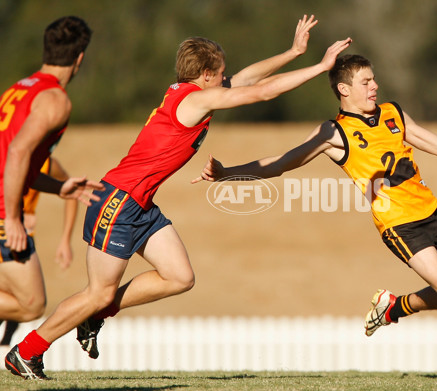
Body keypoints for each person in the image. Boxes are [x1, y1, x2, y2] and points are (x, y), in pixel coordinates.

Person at [6, 15, 351, 380]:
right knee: (98, 292)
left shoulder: (191, 92)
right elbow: (261, 91)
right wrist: (321, 66)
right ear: (205, 75)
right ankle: (26, 353)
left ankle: (95, 316)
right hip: (118, 202)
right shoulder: (193, 102)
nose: (225, 79)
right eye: (220, 73)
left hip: (138, 204)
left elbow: (247, 80)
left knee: (179, 276)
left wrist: (292, 52)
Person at [195, 54, 437, 382]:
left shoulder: (392, 113)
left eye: (374, 79)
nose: (374, 86)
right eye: (365, 82)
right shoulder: (333, 133)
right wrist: (228, 173)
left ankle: (395, 306)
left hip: (432, 213)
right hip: (399, 225)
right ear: (343, 90)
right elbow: (283, 162)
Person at [0, 16, 104, 379]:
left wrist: (57, 188)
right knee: (31, 304)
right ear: (79, 59)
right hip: (2, 211)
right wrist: (12, 218)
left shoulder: (18, 88)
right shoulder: (56, 100)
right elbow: (15, 153)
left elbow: (19, 160)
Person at [0, 157, 78, 354]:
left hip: (19, 231)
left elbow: (70, 192)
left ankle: (5, 343)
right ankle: (5, 344)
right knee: (30, 302)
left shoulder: (46, 162)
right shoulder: (10, 148)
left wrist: (65, 240)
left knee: (20, 298)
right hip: (9, 227)